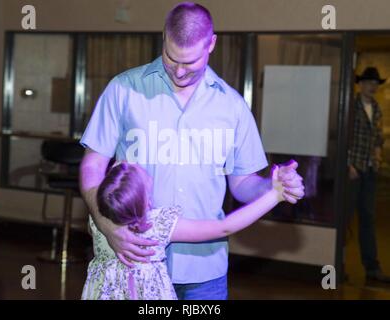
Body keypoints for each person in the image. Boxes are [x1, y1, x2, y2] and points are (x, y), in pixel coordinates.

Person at [79, 2, 305, 299]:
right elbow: (92, 167)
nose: (180, 72)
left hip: (204, 274)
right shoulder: (123, 89)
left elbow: (243, 184)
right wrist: (107, 225)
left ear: (211, 44)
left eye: (190, 63)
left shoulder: (232, 106)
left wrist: (273, 187)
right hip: (132, 266)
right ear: (163, 37)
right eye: (171, 59)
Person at [81, 161, 301, 300]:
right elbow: (225, 227)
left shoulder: (99, 222)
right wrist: (275, 196)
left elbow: (108, 187)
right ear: (146, 202)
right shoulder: (157, 225)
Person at [347, 66, 389, 284]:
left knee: (368, 218)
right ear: (361, 84)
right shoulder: (351, 106)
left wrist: (378, 153)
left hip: (370, 169)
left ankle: (372, 268)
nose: (373, 87)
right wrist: (348, 164)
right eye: (370, 83)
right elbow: (341, 135)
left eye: (375, 83)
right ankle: (338, 264)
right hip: (353, 170)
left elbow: (378, 138)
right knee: (345, 218)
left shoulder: (376, 108)